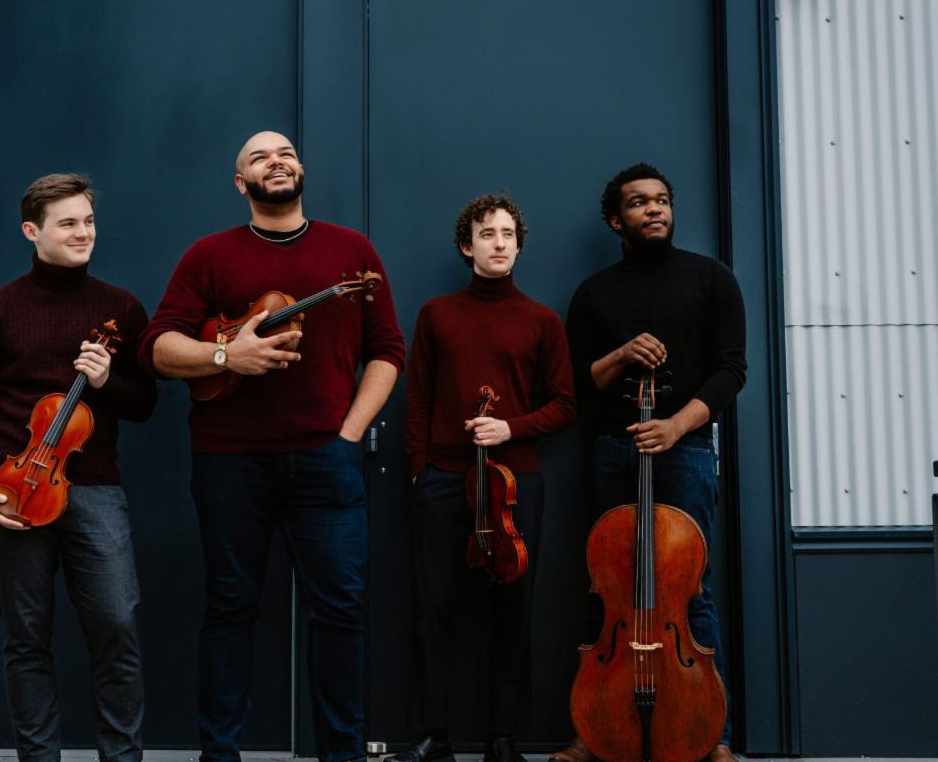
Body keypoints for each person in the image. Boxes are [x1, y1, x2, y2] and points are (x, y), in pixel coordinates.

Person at [138, 131, 405, 762]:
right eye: (259, 157)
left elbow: (387, 351)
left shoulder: (352, 251)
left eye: (284, 153)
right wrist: (227, 355)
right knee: (230, 607)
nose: (275, 161)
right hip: (229, 461)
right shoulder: (209, 255)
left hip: (327, 458)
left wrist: (348, 434)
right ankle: (219, 755)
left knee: (339, 612)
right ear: (242, 184)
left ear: (300, 169)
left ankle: (342, 755)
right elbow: (157, 347)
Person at [0, 172, 158, 762]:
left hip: (94, 489)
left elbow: (145, 404)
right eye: (67, 223)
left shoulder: (121, 307)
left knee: (117, 626)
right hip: (16, 490)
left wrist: (107, 381)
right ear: (31, 231)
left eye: (88, 221)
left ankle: (122, 757)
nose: (83, 232)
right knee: (26, 637)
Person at [554, 163, 745, 762]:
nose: (654, 209)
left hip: (686, 450)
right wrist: (620, 353)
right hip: (614, 452)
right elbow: (577, 382)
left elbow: (731, 372)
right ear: (617, 220)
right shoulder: (594, 293)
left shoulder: (712, 279)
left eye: (662, 200)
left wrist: (675, 426)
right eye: (638, 203)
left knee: (690, 590)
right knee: (605, 587)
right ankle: (593, 732)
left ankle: (711, 737)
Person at [398, 194, 576, 762]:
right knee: (434, 608)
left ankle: (504, 738)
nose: (499, 243)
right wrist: (420, 470)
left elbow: (565, 404)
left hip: (515, 484)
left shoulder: (542, 320)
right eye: (486, 233)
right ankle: (435, 735)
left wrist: (510, 428)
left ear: (519, 246)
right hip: (444, 480)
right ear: (465, 245)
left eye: (507, 234)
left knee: (512, 608)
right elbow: (418, 397)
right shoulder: (436, 314)